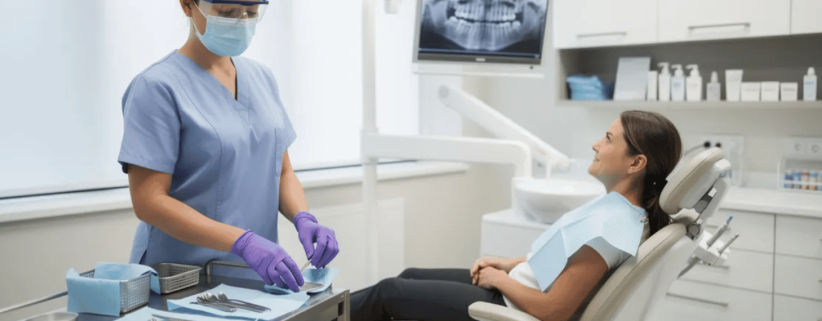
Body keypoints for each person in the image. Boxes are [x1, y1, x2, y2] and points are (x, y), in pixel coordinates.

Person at [351, 110, 682, 321]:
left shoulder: (612, 228)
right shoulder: (618, 211)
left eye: (608, 139)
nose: (596, 144)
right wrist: (510, 263)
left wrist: (500, 280)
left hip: (508, 305)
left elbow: (555, 310)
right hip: (512, 288)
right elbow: (566, 258)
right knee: (409, 274)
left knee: (389, 292)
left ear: (635, 163)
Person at [118, 0, 339, 292]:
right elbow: (149, 201)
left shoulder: (263, 79)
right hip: (184, 280)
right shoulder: (156, 86)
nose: (242, 22)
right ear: (187, 5)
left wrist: (303, 217)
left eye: (251, 13)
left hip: (256, 276)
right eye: (227, 13)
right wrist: (241, 241)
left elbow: (282, 171)